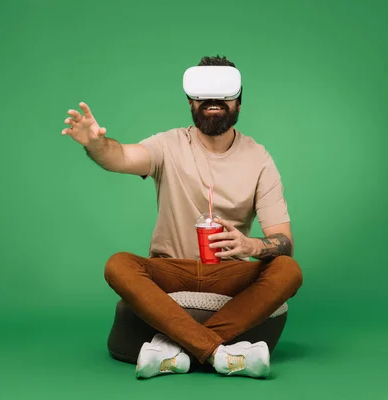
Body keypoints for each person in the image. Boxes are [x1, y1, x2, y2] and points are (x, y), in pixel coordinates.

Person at [61, 55, 303, 379]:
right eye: (203, 95)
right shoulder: (168, 144)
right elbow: (119, 156)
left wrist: (250, 246)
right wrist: (96, 144)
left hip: (227, 272)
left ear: (239, 104)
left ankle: (173, 349)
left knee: (288, 270)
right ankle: (219, 353)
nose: (212, 101)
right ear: (191, 102)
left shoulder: (259, 159)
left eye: (223, 95)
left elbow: (284, 242)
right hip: (171, 268)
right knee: (118, 264)